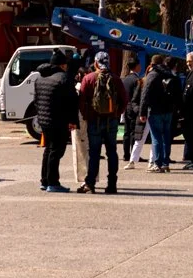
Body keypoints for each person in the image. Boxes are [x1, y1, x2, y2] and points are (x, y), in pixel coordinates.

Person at [77, 51, 126, 193]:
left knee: (94, 152)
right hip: (111, 121)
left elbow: (82, 100)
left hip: (94, 121)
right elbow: (124, 100)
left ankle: (90, 183)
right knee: (112, 152)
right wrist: (116, 114)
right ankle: (112, 184)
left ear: (96, 63)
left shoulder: (88, 78)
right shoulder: (116, 79)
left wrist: (87, 115)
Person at [33, 51, 76, 192]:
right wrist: (73, 120)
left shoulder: (40, 78)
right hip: (58, 120)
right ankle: (53, 182)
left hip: (44, 120)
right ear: (63, 65)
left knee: (48, 149)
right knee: (56, 151)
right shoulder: (64, 78)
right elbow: (71, 102)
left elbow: (36, 101)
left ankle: (44, 180)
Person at [138, 54, 183, 173]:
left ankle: (157, 163)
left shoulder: (153, 74)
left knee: (156, 137)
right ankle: (165, 162)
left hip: (155, 109)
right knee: (166, 137)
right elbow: (179, 95)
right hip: (168, 110)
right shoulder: (172, 75)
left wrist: (142, 111)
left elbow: (145, 94)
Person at [120, 55, 142, 161]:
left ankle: (126, 154)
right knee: (134, 131)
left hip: (125, 107)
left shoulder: (125, 79)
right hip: (133, 107)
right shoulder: (137, 80)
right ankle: (134, 155)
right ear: (137, 66)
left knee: (126, 131)